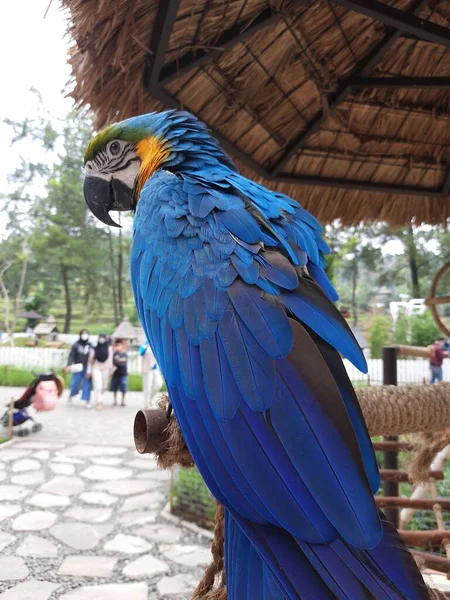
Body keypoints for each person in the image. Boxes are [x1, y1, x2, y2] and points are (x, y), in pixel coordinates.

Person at [65, 329, 92, 407]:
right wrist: (69, 365)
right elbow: (71, 356)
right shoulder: (76, 345)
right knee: (75, 383)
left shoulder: (90, 345)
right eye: (83, 333)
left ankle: (87, 400)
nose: (84, 335)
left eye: (86, 333)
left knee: (87, 383)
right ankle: (71, 394)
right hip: (77, 367)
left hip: (87, 367)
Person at [88, 334, 112, 410]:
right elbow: (90, 361)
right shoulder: (94, 348)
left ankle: (100, 398)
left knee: (104, 386)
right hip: (96, 367)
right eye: (100, 338)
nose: (101, 339)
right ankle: (99, 402)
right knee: (98, 385)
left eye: (103, 338)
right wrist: (89, 371)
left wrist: (111, 370)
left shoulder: (109, 348)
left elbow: (110, 360)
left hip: (106, 368)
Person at [140, 342, 163, 408]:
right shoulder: (144, 345)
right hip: (147, 369)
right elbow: (141, 353)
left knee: (158, 384)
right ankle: (147, 403)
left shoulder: (156, 344)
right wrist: (146, 345)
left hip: (156, 369)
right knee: (147, 387)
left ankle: (150, 399)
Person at [110, 339, 128, 406]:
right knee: (114, 387)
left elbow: (123, 362)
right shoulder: (114, 354)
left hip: (123, 373)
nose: (117, 347)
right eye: (116, 346)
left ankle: (123, 401)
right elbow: (113, 363)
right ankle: (115, 400)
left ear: (122, 346)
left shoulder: (124, 354)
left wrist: (117, 363)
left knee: (123, 387)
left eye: (119, 345)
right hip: (115, 374)